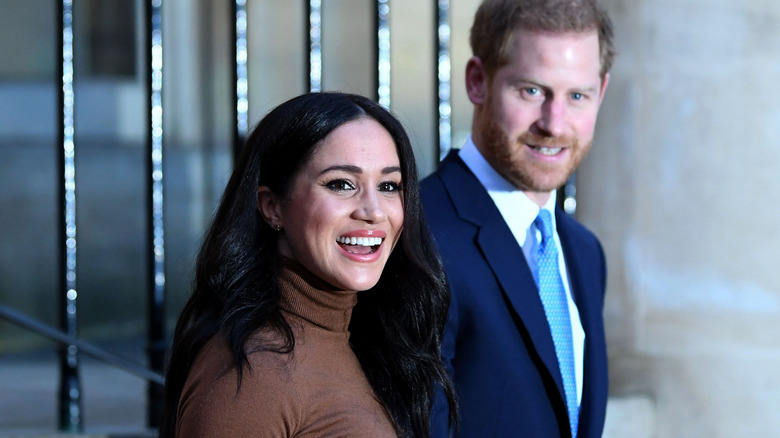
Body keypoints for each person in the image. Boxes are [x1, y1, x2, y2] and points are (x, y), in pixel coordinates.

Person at [161, 92, 457, 438]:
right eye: (341, 184)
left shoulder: (362, 339)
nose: (374, 211)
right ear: (272, 207)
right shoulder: (253, 374)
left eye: (389, 186)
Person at [421, 0, 615, 437]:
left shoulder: (585, 252)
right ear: (477, 81)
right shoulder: (419, 234)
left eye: (577, 96)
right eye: (531, 91)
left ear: (601, 93)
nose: (554, 123)